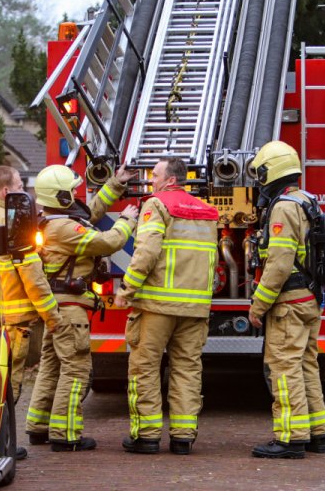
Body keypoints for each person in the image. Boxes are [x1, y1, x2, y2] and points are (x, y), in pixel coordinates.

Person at [25, 164, 139, 451]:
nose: (76, 194)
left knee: (51, 366)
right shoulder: (64, 228)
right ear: (62, 197)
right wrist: (126, 221)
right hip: (70, 310)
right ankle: (65, 435)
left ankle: (38, 426)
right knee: (76, 370)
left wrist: (115, 184)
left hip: (58, 306)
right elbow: (106, 242)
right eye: (72, 191)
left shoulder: (52, 221)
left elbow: (89, 214)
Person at [114, 157, 218, 455]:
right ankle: (183, 437)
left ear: (170, 179)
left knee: (145, 367)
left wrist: (127, 289)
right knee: (187, 368)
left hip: (157, 304)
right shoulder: (208, 212)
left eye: (155, 174)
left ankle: (146, 436)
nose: (151, 180)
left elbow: (146, 251)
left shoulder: (156, 205)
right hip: (195, 308)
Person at [247, 140, 325, 459]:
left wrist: (258, 306)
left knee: (284, 366)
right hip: (309, 298)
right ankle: (316, 432)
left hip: (288, 303)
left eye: (262, 174)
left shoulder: (283, 207)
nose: (260, 182)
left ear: (272, 172)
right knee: (307, 364)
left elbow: (280, 263)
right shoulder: (308, 201)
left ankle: (291, 438)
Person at [0, 165, 63, 460]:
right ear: (6, 191)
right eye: (19, 185)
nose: (23, 191)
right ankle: (1, 445)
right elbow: (34, 279)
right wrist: (54, 319)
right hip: (15, 322)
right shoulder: (12, 222)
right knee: (9, 385)